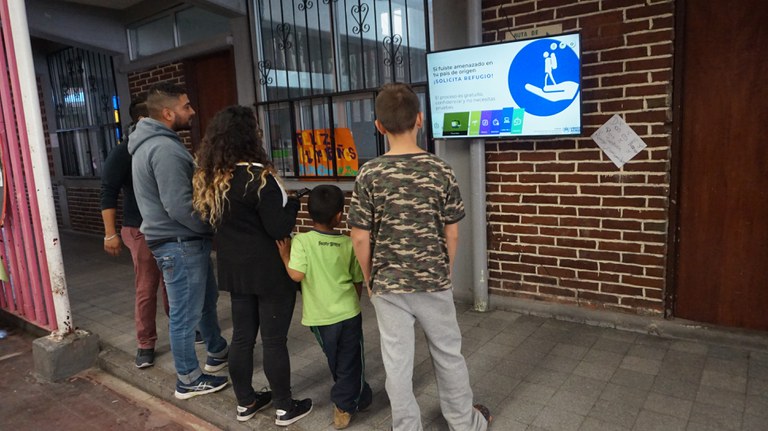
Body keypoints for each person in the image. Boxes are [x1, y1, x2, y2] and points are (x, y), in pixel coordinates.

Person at [348, 82, 493, 431]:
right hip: (433, 280)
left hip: (388, 284)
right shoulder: (440, 170)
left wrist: (370, 280)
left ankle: (406, 427)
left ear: (379, 126)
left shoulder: (369, 173)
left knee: (397, 361)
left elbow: (359, 237)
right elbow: (452, 230)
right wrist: (445, 270)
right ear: (420, 119)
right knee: (447, 352)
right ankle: (463, 421)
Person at [191, 105, 312, 426]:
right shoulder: (260, 178)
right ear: (249, 136)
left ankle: (246, 401)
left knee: (243, 338)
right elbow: (278, 228)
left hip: (234, 270)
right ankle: (285, 407)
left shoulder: (213, 180)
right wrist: (295, 204)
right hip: (270, 271)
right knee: (274, 341)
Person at [128, 82, 229, 400]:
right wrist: (210, 225)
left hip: (181, 241)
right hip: (180, 242)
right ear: (168, 112)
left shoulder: (152, 144)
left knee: (203, 302)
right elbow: (179, 205)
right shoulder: (164, 149)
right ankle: (188, 378)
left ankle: (216, 351)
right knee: (186, 313)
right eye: (186, 106)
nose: (192, 111)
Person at [276, 185, 373, 430]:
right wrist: (354, 302)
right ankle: (351, 398)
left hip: (320, 317)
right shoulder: (348, 243)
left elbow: (296, 275)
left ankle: (347, 400)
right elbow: (357, 279)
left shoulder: (302, 241)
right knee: (350, 358)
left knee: (336, 358)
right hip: (349, 312)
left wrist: (285, 255)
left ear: (309, 214)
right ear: (340, 215)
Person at [100, 96, 170, 369]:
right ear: (144, 118)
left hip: (166, 227)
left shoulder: (161, 145)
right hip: (139, 228)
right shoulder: (124, 150)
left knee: (172, 285)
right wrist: (109, 233)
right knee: (146, 287)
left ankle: (183, 329)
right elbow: (108, 191)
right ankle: (145, 343)